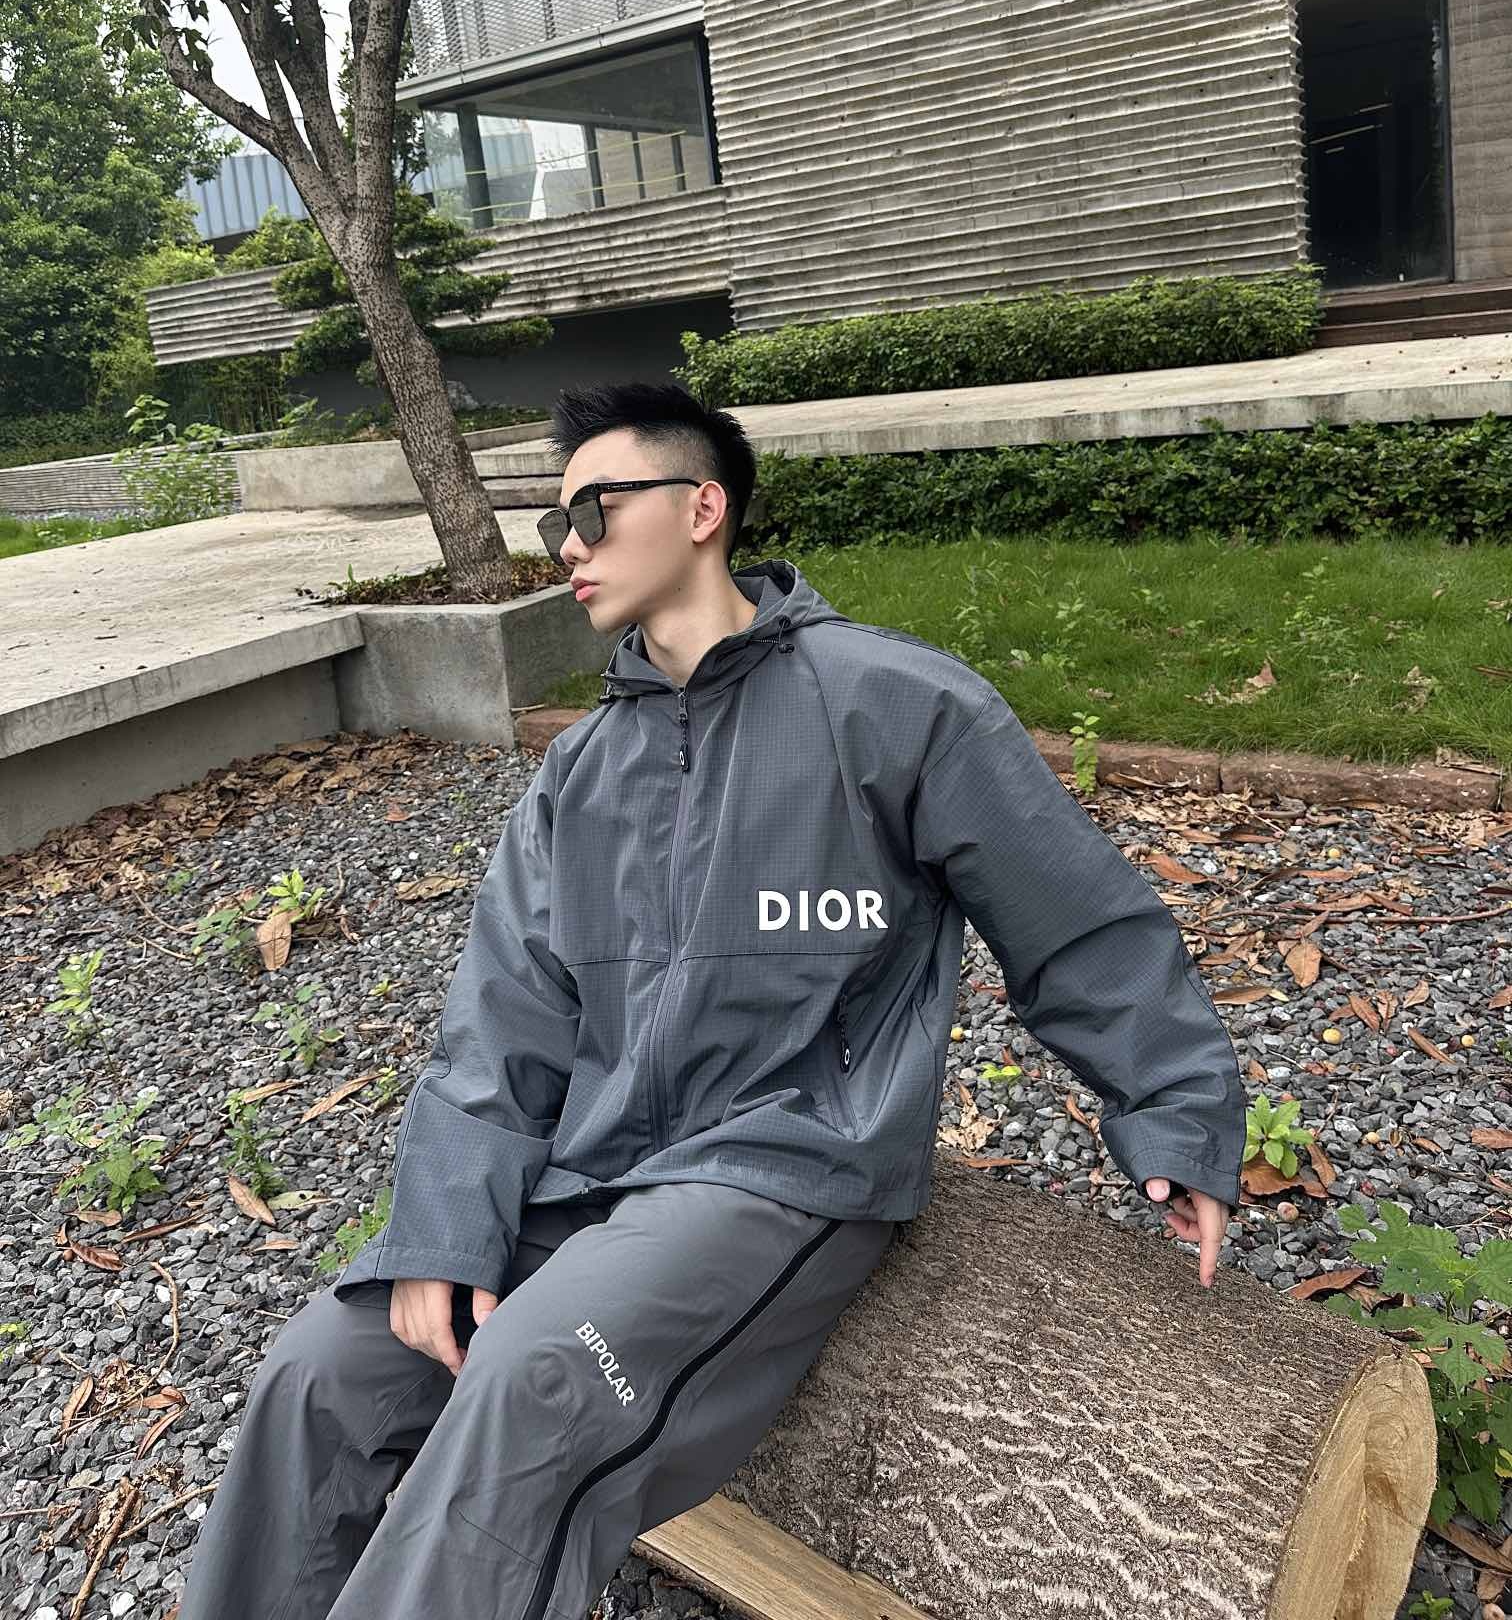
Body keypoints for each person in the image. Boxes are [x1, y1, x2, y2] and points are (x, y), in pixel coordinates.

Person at [177, 378, 1246, 1620]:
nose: (566, 546)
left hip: (783, 1159)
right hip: (590, 1170)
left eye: (593, 509)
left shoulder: (892, 702)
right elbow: (501, 1023)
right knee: (322, 1372)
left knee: (536, 1380)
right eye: (555, 523)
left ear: (702, 508)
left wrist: (1175, 1114)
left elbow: (1075, 917)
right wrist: (439, 1234)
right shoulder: (579, 770)